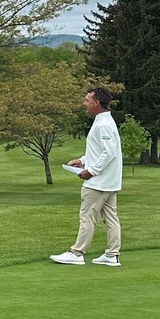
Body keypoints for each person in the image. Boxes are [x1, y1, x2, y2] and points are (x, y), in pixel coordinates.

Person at [51, 87, 124, 267]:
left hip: (98, 182)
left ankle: (77, 253)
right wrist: (82, 161)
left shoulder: (103, 124)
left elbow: (109, 153)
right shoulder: (104, 122)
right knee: (110, 217)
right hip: (108, 181)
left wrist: (91, 171)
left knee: (87, 217)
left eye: (87, 100)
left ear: (96, 102)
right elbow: (100, 151)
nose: (84, 103)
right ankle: (112, 255)